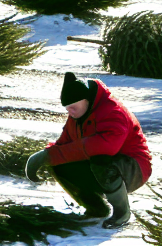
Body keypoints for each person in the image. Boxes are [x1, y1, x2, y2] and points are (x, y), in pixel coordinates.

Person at [24, 71, 151, 229]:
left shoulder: (112, 111)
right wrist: (45, 155)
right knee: (59, 163)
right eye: (67, 108)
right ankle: (96, 208)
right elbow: (63, 145)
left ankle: (122, 213)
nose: (69, 112)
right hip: (106, 166)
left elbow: (105, 147)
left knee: (100, 160)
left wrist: (51, 155)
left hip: (135, 168)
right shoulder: (77, 117)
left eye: (73, 107)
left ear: (86, 100)